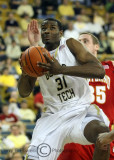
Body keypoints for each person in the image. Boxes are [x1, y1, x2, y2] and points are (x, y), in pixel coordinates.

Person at [18, 19, 110, 160]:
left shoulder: (70, 44)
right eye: (44, 29)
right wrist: (26, 67)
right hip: (53, 117)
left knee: (101, 134)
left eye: (52, 28)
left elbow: (99, 71)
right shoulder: (35, 55)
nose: (47, 31)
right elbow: (24, 92)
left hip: (80, 111)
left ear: (60, 32)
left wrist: (62, 69)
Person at [58, 32, 114, 160]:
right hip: (74, 140)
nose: (80, 44)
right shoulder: (67, 70)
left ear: (96, 46)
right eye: (78, 42)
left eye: (85, 41)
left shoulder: (110, 67)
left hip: (103, 136)